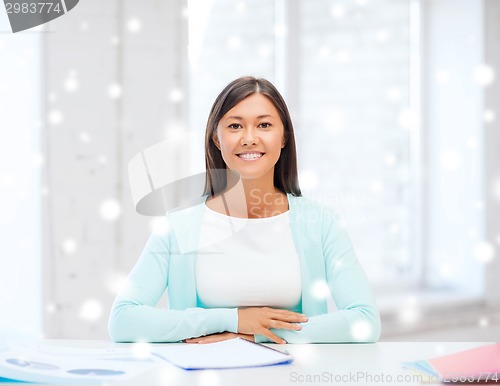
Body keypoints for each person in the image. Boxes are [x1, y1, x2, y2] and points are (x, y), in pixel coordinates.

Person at [108, 76, 381, 344]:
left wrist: (255, 334)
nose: (249, 138)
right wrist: (233, 320)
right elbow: (123, 320)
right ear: (216, 138)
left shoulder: (321, 223)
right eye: (235, 126)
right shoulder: (180, 226)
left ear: (284, 136)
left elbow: (365, 321)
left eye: (264, 125)